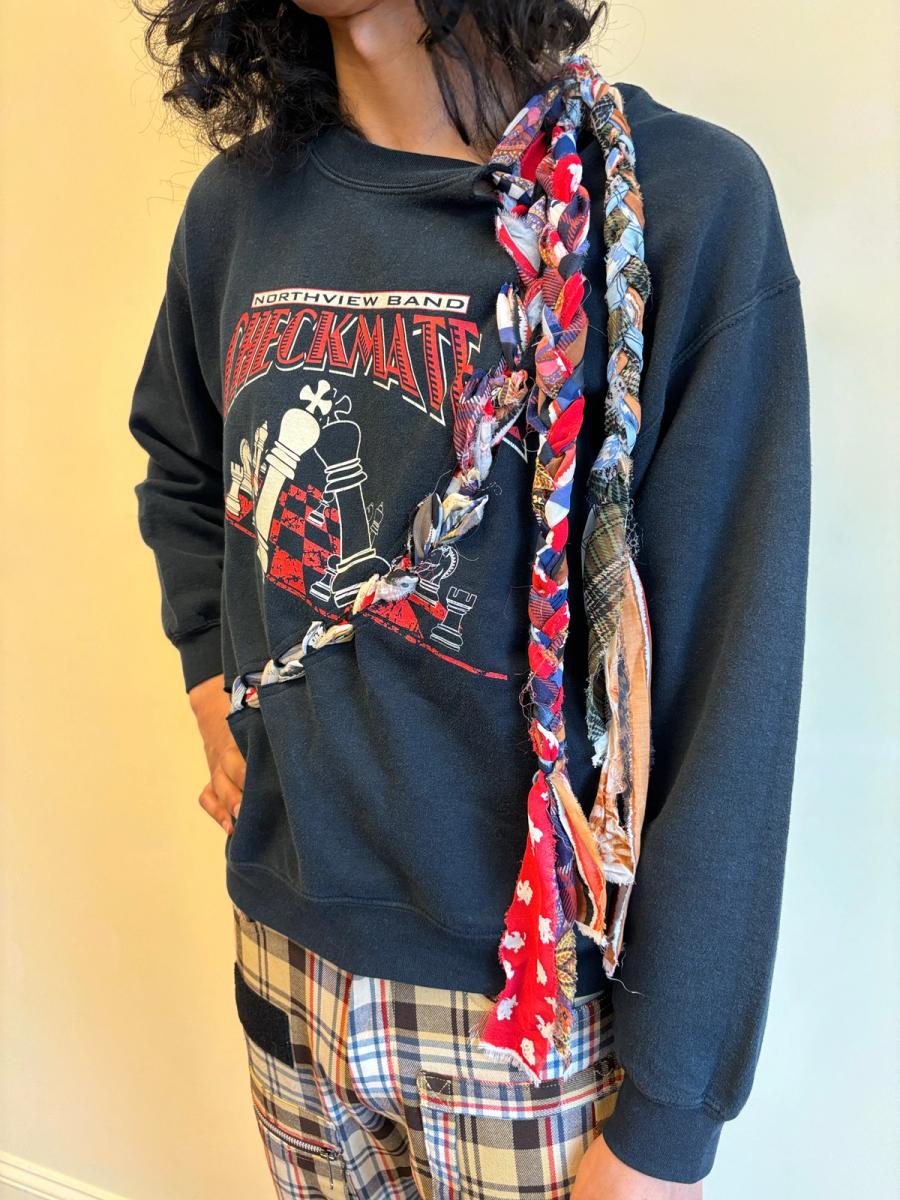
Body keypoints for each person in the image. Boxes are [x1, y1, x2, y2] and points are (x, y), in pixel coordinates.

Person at [127, 1, 811, 1196]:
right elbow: (185, 463)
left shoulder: (680, 207)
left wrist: (667, 1120)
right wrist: (208, 678)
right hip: (285, 959)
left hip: (531, 1024)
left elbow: (730, 686)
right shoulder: (240, 208)